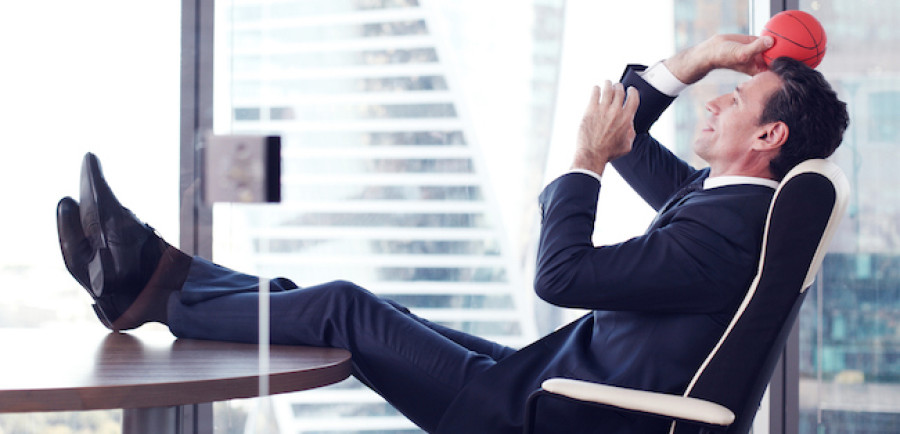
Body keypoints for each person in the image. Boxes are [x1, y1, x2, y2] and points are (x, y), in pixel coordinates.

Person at [56, 34, 848, 433]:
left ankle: (144, 286)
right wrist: (698, 60)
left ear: (770, 138)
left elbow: (560, 274)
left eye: (737, 98)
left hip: (543, 415)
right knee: (345, 306)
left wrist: (583, 159)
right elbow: (630, 131)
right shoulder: (730, 206)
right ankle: (154, 272)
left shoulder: (725, 236)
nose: (718, 101)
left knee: (344, 308)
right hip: (546, 379)